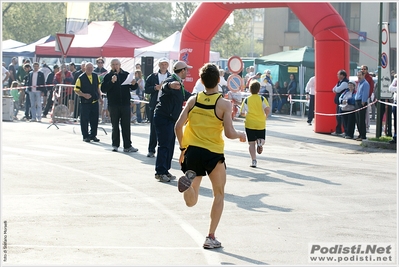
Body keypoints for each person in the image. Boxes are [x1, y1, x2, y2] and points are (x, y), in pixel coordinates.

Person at [174, 63, 246, 249]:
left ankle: (188, 187)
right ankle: (210, 236)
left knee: (192, 201)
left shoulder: (193, 100)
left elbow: (177, 126)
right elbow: (229, 133)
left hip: (193, 152)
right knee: (219, 194)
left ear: (201, 80)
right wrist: (240, 135)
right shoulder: (223, 103)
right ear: (219, 80)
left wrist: (183, 148)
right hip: (213, 153)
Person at [153, 60, 192, 182]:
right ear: (182, 71)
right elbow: (165, 87)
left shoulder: (179, 83)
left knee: (169, 145)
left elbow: (187, 95)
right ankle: (160, 172)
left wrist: (201, 97)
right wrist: (170, 86)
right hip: (163, 117)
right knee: (164, 145)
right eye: (186, 70)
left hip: (170, 119)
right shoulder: (171, 80)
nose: (187, 72)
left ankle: (165, 170)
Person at [101, 58, 139, 152]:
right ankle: (115, 145)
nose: (115, 66)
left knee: (126, 125)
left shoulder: (125, 75)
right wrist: (111, 82)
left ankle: (127, 146)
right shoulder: (107, 76)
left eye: (117, 64)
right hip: (113, 104)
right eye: (113, 64)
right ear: (111, 66)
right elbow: (103, 89)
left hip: (125, 104)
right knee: (115, 125)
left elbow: (132, 87)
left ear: (120, 65)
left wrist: (134, 84)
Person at [144, 57, 171, 158]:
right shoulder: (152, 77)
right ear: (159, 65)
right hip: (155, 104)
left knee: (167, 129)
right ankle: (151, 150)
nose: (163, 66)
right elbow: (146, 89)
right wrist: (155, 88)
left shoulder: (171, 77)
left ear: (168, 65)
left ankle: (166, 150)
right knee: (153, 128)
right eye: (162, 64)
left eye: (165, 64)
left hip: (166, 106)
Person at [240, 80, 271, 168]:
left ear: (250, 89)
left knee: (251, 144)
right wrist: (266, 116)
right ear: (259, 90)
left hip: (250, 123)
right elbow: (267, 109)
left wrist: (246, 115)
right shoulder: (262, 98)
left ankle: (254, 161)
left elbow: (242, 113)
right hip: (260, 123)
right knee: (261, 139)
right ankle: (260, 143)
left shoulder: (246, 100)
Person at [74, 62, 104, 142]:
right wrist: (84, 95)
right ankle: (85, 136)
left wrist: (100, 98)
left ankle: (93, 135)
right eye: (88, 68)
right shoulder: (81, 77)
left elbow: (98, 88)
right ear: (85, 68)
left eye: (91, 68)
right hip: (85, 102)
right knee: (84, 120)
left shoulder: (95, 76)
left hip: (94, 101)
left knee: (94, 119)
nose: (90, 69)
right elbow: (76, 90)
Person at [331, 70, 348, 136]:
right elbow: (333, 89)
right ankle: (338, 130)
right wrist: (336, 89)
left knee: (342, 117)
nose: (337, 76)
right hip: (339, 102)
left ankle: (344, 131)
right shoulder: (340, 82)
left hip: (343, 103)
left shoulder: (344, 83)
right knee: (338, 117)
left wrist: (336, 89)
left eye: (339, 74)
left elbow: (337, 90)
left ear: (343, 75)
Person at [354, 70, 370, 141]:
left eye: (360, 75)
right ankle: (360, 134)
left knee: (361, 120)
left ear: (363, 75)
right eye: (358, 75)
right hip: (357, 102)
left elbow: (365, 93)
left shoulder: (365, 84)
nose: (359, 77)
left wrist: (363, 101)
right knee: (358, 119)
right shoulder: (359, 83)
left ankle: (363, 135)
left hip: (361, 102)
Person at [360, 65, 374, 133]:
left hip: (366, 97)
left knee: (366, 112)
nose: (363, 70)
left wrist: (368, 96)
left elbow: (371, 88)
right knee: (361, 112)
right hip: (360, 97)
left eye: (364, 69)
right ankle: (361, 126)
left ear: (367, 70)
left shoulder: (369, 78)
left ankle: (367, 126)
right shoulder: (360, 77)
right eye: (362, 69)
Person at [388, 74, 397, 144]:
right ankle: (395, 136)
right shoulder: (396, 80)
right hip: (396, 103)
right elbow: (390, 88)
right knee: (396, 121)